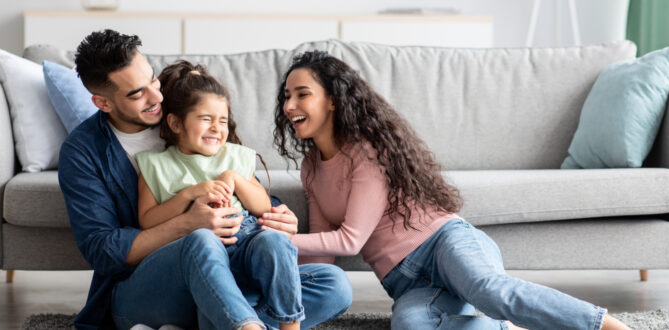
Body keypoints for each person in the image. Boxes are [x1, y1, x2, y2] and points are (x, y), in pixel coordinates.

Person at [262, 50, 632, 330]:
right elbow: (323, 253)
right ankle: (502, 326)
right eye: (286, 96)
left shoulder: (365, 149)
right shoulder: (311, 167)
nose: (289, 105)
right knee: (409, 325)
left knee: (489, 291)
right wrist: (268, 267)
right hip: (406, 282)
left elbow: (350, 241)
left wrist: (275, 239)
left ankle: (606, 325)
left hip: (443, 243)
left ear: (332, 99)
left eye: (302, 94)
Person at [58, 30, 351, 330]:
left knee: (333, 283)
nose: (156, 97)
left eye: (153, 80)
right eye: (137, 94)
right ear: (102, 103)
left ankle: (218, 318)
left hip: (227, 272)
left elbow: (236, 183)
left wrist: (275, 215)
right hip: (146, 291)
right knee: (202, 241)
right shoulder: (83, 152)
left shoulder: (186, 111)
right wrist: (189, 223)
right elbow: (104, 250)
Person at [135, 60, 303, 330]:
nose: (217, 127)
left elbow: (262, 207)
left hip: (247, 242)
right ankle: (245, 321)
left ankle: (289, 326)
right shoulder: (155, 165)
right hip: (201, 258)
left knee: (275, 241)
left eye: (222, 120)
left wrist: (234, 179)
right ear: (176, 123)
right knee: (204, 247)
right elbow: (147, 220)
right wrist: (190, 194)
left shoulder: (234, 156)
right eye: (206, 119)